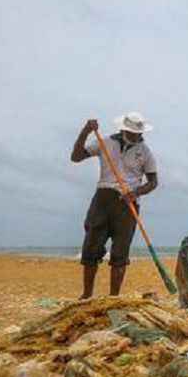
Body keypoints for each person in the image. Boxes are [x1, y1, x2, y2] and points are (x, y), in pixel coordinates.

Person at [71, 112, 158, 298]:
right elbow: (76, 157)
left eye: (139, 133)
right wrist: (85, 132)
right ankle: (86, 295)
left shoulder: (145, 151)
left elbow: (153, 182)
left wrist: (135, 193)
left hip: (128, 204)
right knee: (91, 248)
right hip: (103, 198)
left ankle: (113, 298)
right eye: (133, 133)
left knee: (120, 252)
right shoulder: (105, 142)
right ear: (124, 129)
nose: (137, 136)